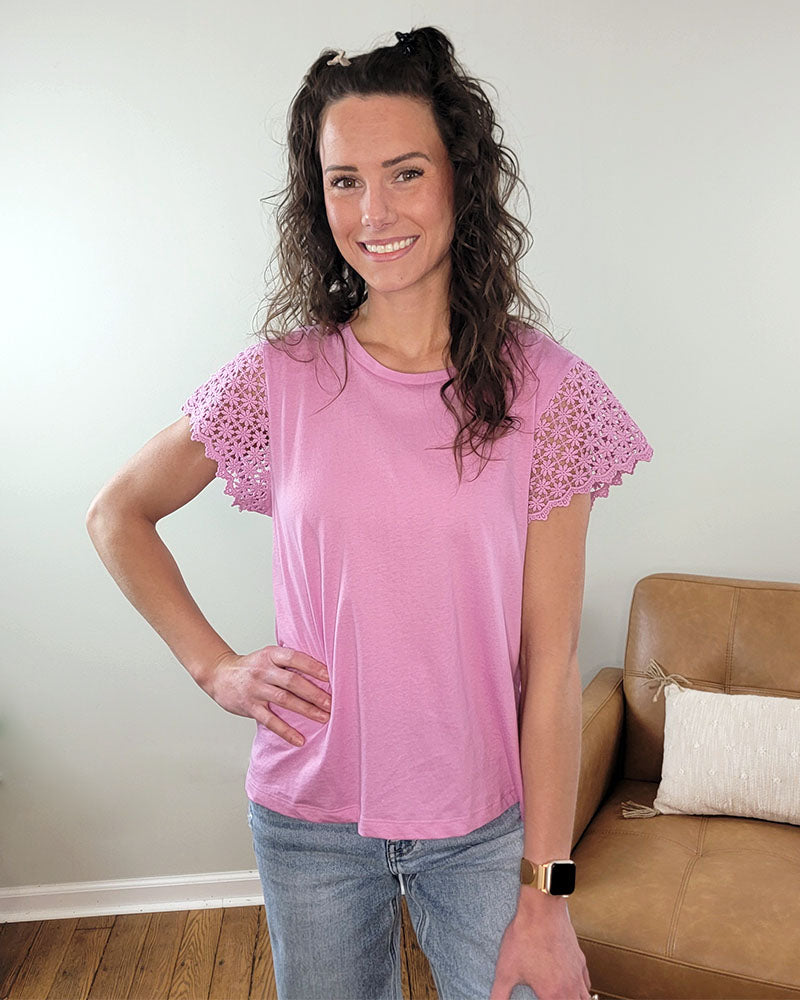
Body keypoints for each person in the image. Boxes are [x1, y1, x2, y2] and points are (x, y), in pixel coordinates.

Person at [86, 25, 652, 1000]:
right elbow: (117, 513)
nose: (373, 211)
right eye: (344, 181)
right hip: (308, 825)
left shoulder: (549, 391)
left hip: (482, 828)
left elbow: (552, 668)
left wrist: (547, 898)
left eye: (405, 173)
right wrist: (214, 666)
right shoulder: (279, 378)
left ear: (460, 179)